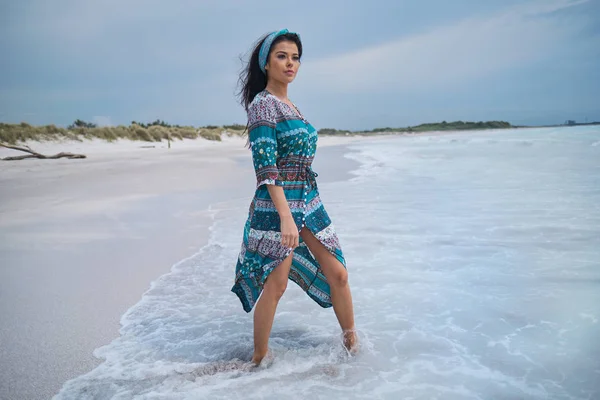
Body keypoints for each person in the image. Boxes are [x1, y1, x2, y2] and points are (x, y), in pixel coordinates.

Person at [232, 29, 358, 366]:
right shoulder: (263, 104)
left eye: (295, 57)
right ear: (266, 63)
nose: (290, 63)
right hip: (277, 204)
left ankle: (353, 348)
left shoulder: (291, 105)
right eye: (282, 56)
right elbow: (265, 165)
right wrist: (285, 216)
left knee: (339, 273)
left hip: (309, 199)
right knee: (276, 285)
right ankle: (259, 360)